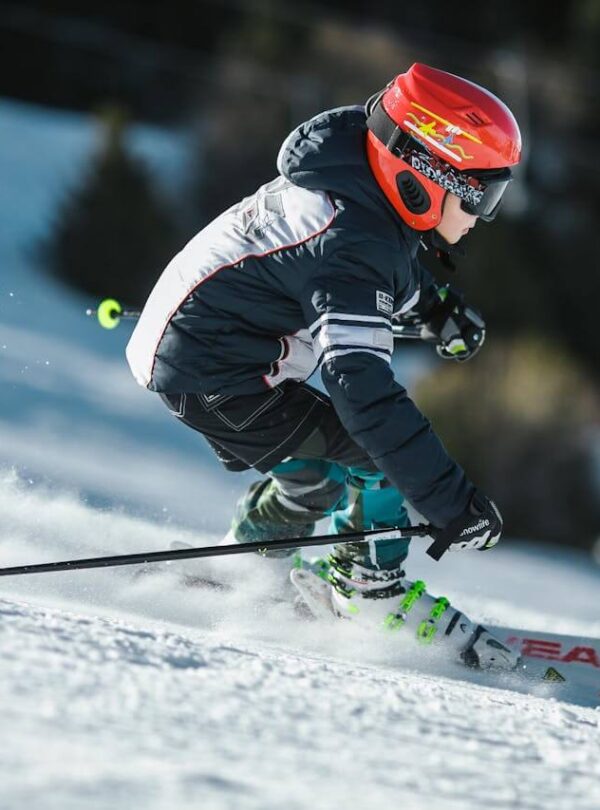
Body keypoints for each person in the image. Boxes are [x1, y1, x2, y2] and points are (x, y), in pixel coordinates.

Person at [126, 63, 521, 669]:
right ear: (426, 176)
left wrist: (434, 308)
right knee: (375, 458)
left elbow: (379, 264)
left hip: (206, 353)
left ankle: (248, 565)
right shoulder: (350, 243)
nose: (481, 217)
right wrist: (451, 504)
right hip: (214, 372)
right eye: (480, 196)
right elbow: (362, 392)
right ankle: (369, 592)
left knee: (318, 474)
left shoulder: (355, 183)